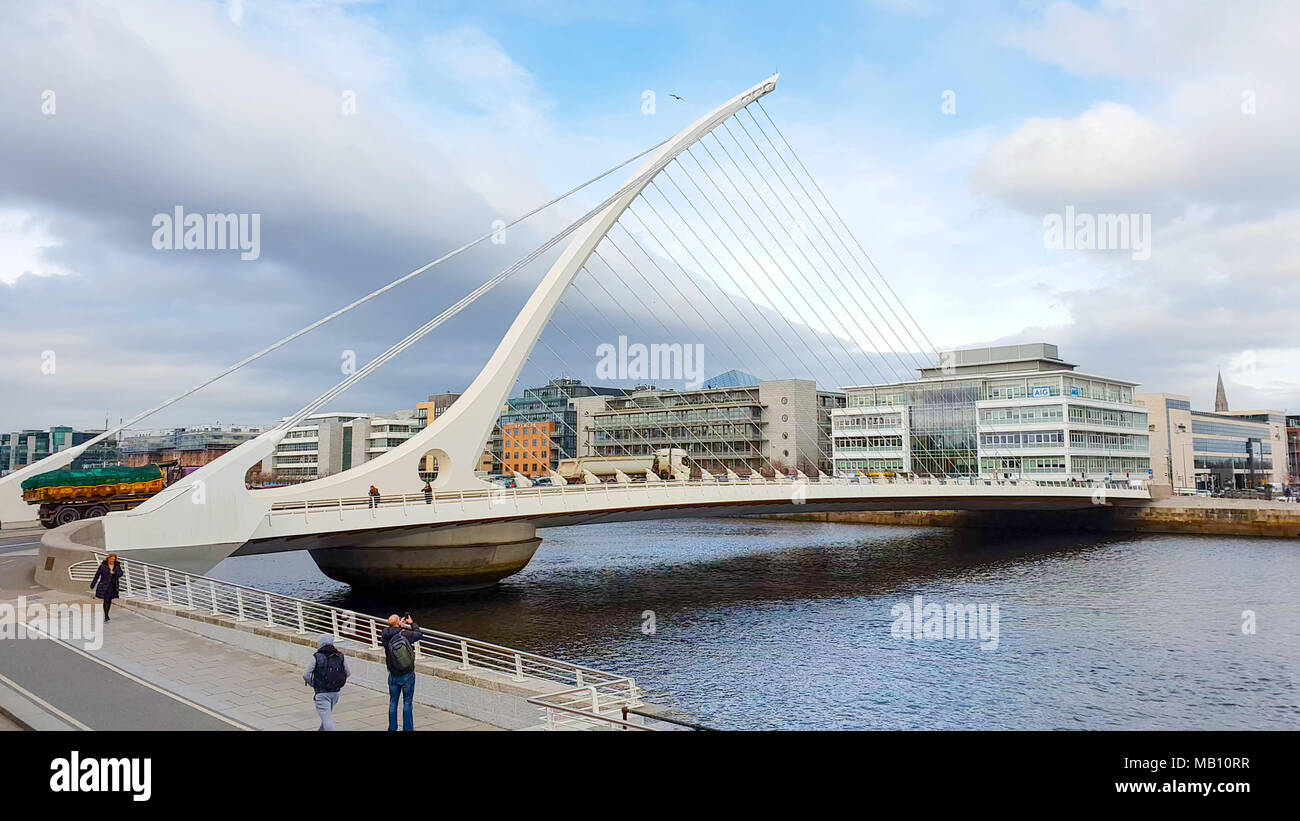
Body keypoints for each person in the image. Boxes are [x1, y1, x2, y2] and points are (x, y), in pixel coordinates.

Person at [381, 614, 422, 731]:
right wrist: (411, 624)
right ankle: (408, 729)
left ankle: (392, 728)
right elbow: (418, 634)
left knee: (393, 701)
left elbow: (391, 631)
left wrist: (398, 625)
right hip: (407, 674)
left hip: (393, 674)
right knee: (407, 702)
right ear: (398, 622)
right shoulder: (404, 634)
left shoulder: (384, 635)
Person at [303, 633, 351, 731]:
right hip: (335, 693)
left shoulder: (316, 657)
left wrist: (314, 684)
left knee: (327, 720)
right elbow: (348, 673)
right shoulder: (340, 656)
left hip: (322, 693)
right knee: (326, 717)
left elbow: (306, 675)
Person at [89, 554, 124, 621]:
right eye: (111, 559)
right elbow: (97, 575)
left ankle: (106, 613)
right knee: (106, 599)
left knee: (109, 599)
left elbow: (120, 574)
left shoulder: (117, 566)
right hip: (104, 585)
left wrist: (114, 573)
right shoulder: (102, 566)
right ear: (108, 559)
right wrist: (93, 584)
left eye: (114, 559)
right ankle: (106, 615)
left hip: (113, 586)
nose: (112, 560)